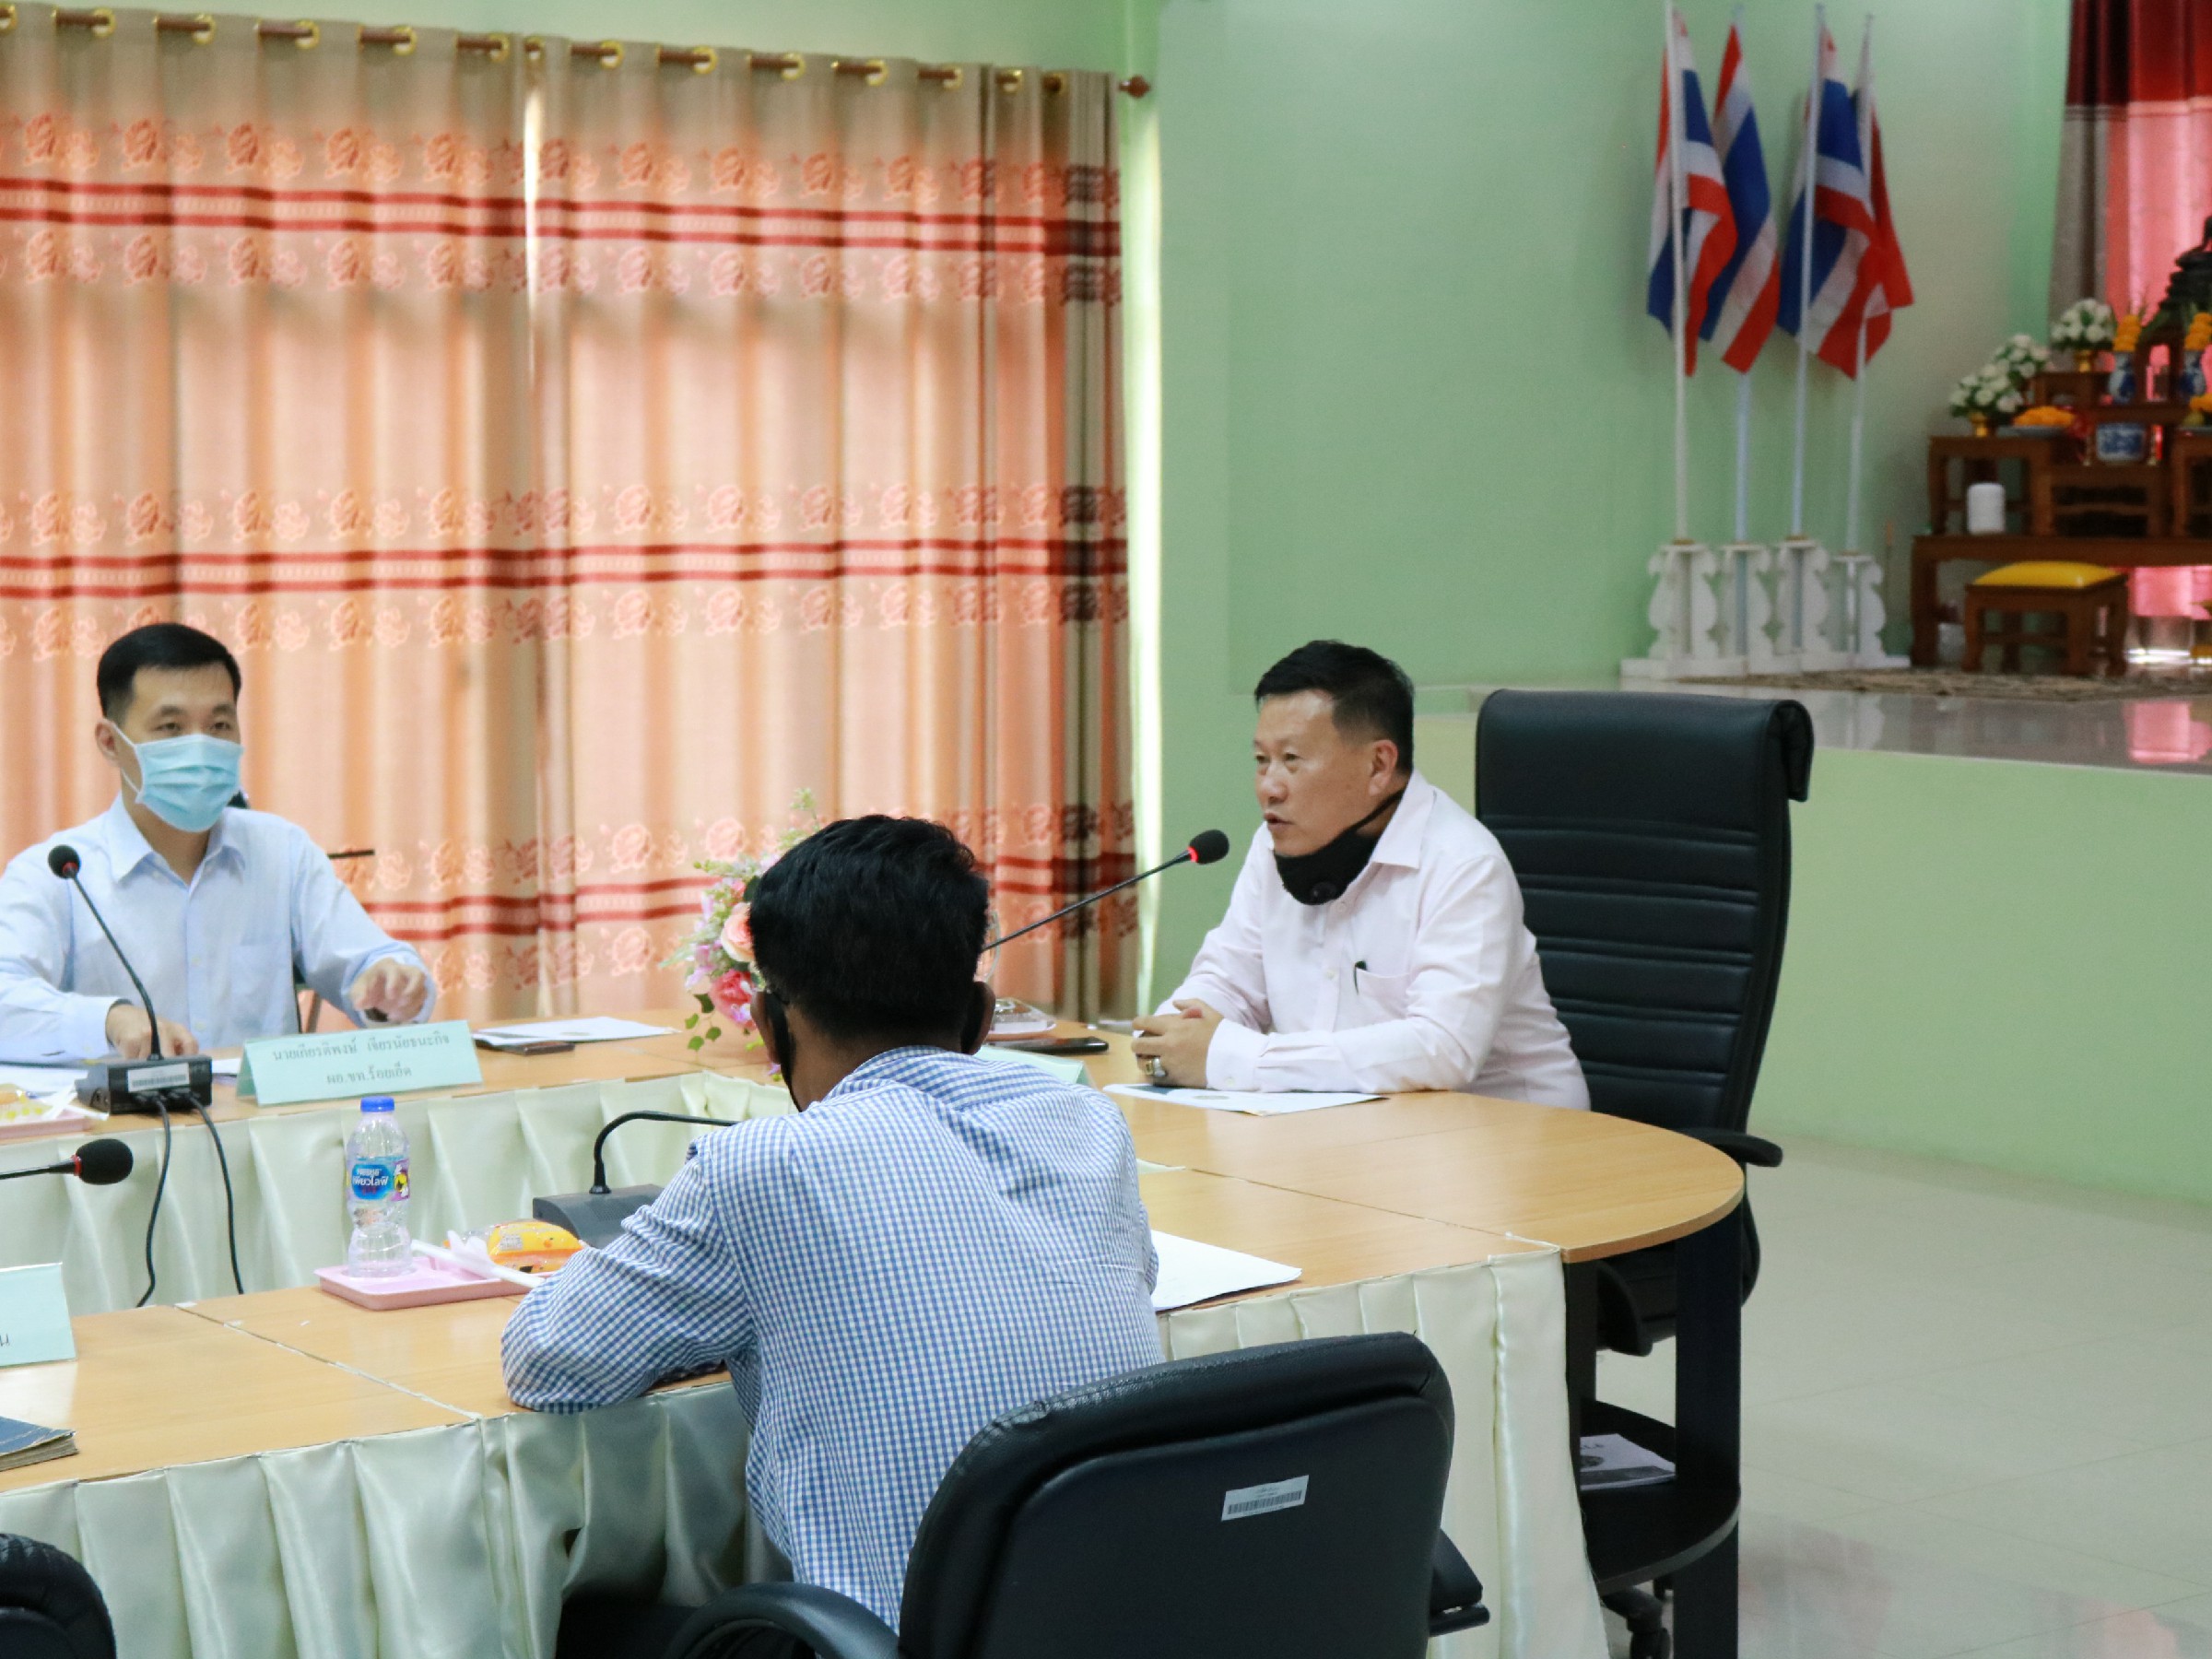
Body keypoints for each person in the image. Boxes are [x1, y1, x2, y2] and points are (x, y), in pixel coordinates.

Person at [502, 816, 1161, 1638]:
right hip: (1115, 1626)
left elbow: (548, 1360)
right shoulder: (1087, 1122)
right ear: (982, 1016)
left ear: (770, 1026)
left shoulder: (764, 1167)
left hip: (894, 1641)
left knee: (582, 1626)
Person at [1135, 640, 1588, 1107]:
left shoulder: (1463, 864)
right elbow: (1229, 980)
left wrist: (1242, 1059)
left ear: (1378, 765)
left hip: (1513, 1131)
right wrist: (1174, 1035)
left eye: (1291, 760)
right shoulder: (1274, 846)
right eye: (1261, 760)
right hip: (1359, 1123)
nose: (1269, 787)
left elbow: (1443, 1047)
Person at [0, 623, 434, 1060]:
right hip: (122, 1106)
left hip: (259, 1104)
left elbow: (370, 964)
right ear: (111, 743)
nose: (200, 747)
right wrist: (109, 1020)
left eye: (220, 725)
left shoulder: (281, 852)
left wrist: (392, 988)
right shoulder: (59, 874)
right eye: (171, 727)